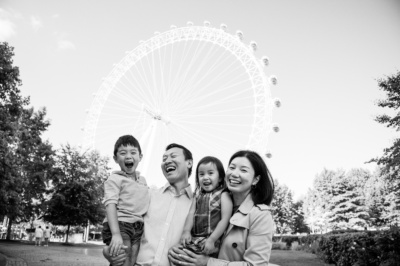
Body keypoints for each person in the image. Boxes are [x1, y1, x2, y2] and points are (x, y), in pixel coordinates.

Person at [169, 150, 275, 266]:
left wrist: (208, 262)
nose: (234, 174)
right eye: (232, 167)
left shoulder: (260, 215)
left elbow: (257, 264)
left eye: (243, 170)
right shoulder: (207, 200)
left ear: (256, 179)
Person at [104, 143, 194, 266]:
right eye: (164, 159)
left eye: (173, 156)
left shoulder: (198, 205)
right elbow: (119, 220)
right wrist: (107, 251)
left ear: (189, 163)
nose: (167, 161)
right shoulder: (147, 195)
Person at [102, 135, 150, 266]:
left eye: (133, 152)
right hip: (120, 225)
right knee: (123, 261)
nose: (128, 156)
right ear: (115, 159)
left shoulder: (143, 181)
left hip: (138, 227)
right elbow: (110, 204)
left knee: (132, 262)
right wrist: (116, 234)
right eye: (123, 153)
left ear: (140, 157)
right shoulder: (114, 179)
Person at [180, 156, 233, 257]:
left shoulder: (223, 194)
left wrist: (212, 239)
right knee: (177, 255)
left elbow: (225, 220)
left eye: (210, 173)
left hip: (212, 240)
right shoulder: (197, 195)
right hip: (195, 239)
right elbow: (191, 214)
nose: (205, 177)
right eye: (201, 174)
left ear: (220, 178)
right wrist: (186, 231)